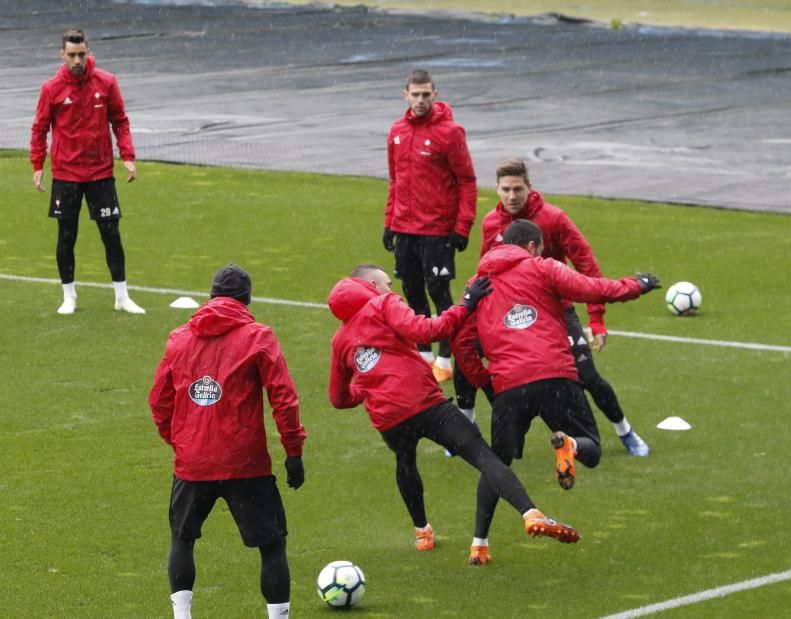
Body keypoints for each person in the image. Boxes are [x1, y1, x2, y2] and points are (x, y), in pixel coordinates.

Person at [327, 263, 579, 563]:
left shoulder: (339, 340)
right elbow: (429, 330)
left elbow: (338, 398)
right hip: (426, 403)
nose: (392, 289)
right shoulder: (383, 305)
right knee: (484, 457)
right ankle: (530, 513)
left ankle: (422, 533)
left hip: (389, 420)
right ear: (369, 286)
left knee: (405, 461)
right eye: (386, 283)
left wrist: (366, 390)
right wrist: (467, 304)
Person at [452, 219, 660, 565]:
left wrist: (485, 381)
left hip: (508, 387)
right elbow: (594, 288)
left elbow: (460, 342)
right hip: (556, 377)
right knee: (591, 449)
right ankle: (571, 445)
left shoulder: (478, 283)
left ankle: (479, 544)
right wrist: (636, 285)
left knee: (495, 465)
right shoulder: (543, 268)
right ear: (533, 247)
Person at [149, 264, 307, 619]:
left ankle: (182, 616)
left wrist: (180, 443)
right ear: (247, 300)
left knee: (182, 538)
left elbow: (158, 401)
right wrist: (293, 453)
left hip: (193, 463)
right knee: (271, 545)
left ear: (210, 297)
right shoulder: (258, 337)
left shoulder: (179, 338)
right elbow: (284, 398)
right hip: (245, 462)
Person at [480, 158, 650, 456]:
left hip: (556, 312)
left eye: (517, 189)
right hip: (511, 316)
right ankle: (468, 437)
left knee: (588, 376)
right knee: (477, 368)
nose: (511, 196)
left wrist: (596, 319)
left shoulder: (554, 219)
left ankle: (625, 431)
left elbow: (586, 265)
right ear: (496, 189)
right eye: (505, 190)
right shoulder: (490, 224)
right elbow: (487, 271)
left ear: (530, 188)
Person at [30, 29, 144, 315]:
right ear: (62, 55)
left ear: (88, 51)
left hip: (100, 173)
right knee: (67, 236)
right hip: (66, 174)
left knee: (111, 234)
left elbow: (120, 121)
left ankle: (121, 296)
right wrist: (37, 165)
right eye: (72, 55)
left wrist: (127, 156)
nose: (78, 60)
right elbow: (40, 128)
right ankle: (69, 296)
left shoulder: (106, 82)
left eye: (82, 54)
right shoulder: (51, 89)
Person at [383, 69, 477, 385]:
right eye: (416, 94)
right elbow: (395, 181)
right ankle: (423, 354)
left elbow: (467, 181)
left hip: (437, 230)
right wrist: (389, 222)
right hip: (405, 228)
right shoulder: (396, 131)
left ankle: (446, 356)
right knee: (411, 290)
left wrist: (462, 227)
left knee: (439, 292)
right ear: (405, 95)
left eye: (426, 94)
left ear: (435, 95)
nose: (421, 100)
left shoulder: (450, 133)